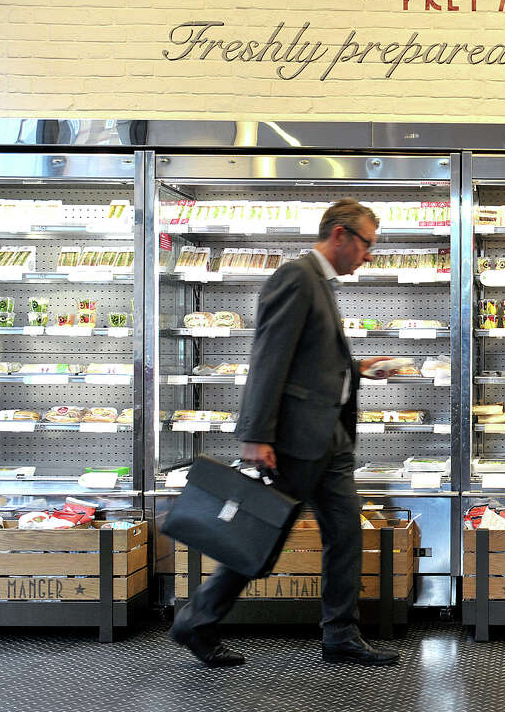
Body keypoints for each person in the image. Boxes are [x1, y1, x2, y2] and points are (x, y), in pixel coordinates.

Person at [169, 199, 402, 668]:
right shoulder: (295, 277)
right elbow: (269, 357)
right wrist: (256, 435)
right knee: (262, 535)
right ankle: (196, 619)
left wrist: (358, 370)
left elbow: (310, 359)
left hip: (329, 439)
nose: (369, 255)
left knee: (345, 536)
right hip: (295, 440)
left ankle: (340, 634)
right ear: (340, 235)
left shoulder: (322, 283)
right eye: (367, 244)